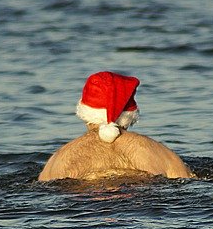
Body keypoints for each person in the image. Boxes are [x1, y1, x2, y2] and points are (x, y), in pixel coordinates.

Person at [38, 71, 194, 181]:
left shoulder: (57, 161)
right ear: (129, 115)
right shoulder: (161, 155)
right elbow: (187, 183)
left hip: (84, 212)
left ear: (85, 112)